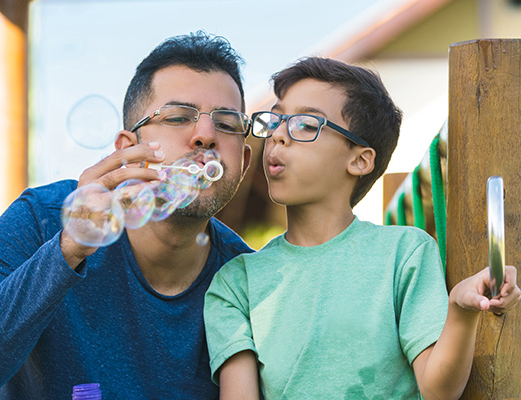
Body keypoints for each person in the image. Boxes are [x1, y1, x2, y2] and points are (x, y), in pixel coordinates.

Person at [0, 31, 253, 399]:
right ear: (129, 149)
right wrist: (68, 248)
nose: (206, 135)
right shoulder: (43, 220)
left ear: (243, 159)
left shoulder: (247, 280)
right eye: (178, 117)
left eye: (227, 123)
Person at [203, 57, 521, 399]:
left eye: (306, 124)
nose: (278, 135)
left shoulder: (404, 253)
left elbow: (439, 390)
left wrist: (460, 309)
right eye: (277, 119)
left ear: (360, 160)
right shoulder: (236, 282)